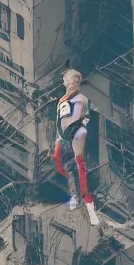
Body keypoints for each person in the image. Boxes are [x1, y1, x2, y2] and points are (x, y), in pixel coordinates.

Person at [52, 68, 93, 210]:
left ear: (76, 84)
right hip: (62, 138)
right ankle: (76, 193)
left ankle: (79, 195)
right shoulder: (62, 100)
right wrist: (57, 139)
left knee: (75, 166)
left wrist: (78, 131)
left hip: (75, 137)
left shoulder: (81, 100)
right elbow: (59, 120)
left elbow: (83, 118)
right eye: (67, 83)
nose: (69, 85)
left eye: (72, 83)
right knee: (63, 165)